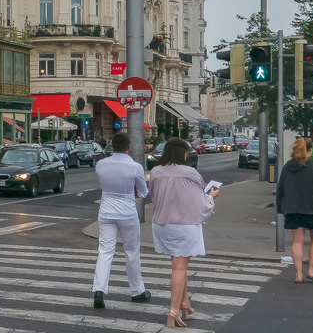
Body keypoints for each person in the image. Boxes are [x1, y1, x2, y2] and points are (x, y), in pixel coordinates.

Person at [148, 137, 218, 328]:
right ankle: (173, 312)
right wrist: (211, 197)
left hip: (162, 224)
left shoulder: (155, 172)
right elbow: (200, 201)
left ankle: (185, 302)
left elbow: (153, 196)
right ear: (184, 154)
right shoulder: (190, 172)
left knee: (178, 262)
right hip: (184, 225)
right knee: (179, 267)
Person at [91, 130, 152, 309]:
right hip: (127, 212)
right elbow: (143, 192)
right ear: (129, 147)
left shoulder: (101, 165)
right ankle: (136, 291)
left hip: (106, 211)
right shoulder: (135, 167)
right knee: (131, 251)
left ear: (112, 146)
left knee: (105, 251)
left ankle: (99, 290)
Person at [276, 136, 313, 283]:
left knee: (297, 242)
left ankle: (299, 274)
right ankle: (311, 270)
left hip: (293, 209)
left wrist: (280, 208)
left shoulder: (287, 166)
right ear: (309, 150)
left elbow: (280, 188)